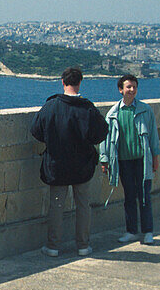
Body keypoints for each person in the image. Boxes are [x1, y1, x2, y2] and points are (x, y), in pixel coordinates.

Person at [30, 67, 109, 257]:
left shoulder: (51, 106)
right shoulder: (87, 108)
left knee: (56, 206)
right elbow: (101, 132)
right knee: (83, 205)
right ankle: (83, 245)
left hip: (57, 165)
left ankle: (53, 246)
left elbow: (36, 130)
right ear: (80, 82)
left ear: (63, 82)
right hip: (82, 165)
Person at [100, 75, 160, 244]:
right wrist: (104, 160)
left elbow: (153, 136)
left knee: (144, 196)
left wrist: (155, 158)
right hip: (124, 162)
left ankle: (148, 231)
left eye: (134, 87)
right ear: (121, 90)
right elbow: (106, 139)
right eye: (128, 87)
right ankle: (131, 231)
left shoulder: (145, 110)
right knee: (129, 196)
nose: (132, 90)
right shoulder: (113, 113)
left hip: (142, 160)